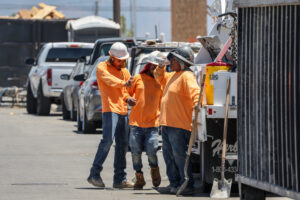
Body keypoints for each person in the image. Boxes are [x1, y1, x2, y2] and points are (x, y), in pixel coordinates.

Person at [87, 42, 136, 189]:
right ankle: (94, 174)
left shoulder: (125, 71)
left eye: (124, 60)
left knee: (122, 145)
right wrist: (124, 83)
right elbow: (109, 80)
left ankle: (120, 179)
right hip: (110, 109)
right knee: (107, 140)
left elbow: (125, 92)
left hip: (122, 110)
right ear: (112, 57)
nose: (122, 62)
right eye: (119, 60)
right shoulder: (102, 67)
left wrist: (128, 99)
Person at [154, 46, 200, 194]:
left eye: (173, 60)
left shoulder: (187, 76)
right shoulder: (174, 74)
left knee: (179, 156)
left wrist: (197, 103)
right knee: (169, 156)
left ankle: (186, 184)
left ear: (181, 61)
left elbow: (195, 92)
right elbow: (159, 77)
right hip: (168, 123)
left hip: (179, 125)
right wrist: (161, 66)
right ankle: (174, 184)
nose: (170, 62)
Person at [127, 51, 164, 190]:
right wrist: (128, 98)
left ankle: (154, 170)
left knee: (152, 150)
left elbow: (163, 102)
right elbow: (126, 92)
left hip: (153, 123)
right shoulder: (137, 78)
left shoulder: (161, 82)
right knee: (135, 152)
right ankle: (139, 177)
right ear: (148, 66)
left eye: (157, 67)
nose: (154, 69)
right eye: (152, 66)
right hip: (136, 123)